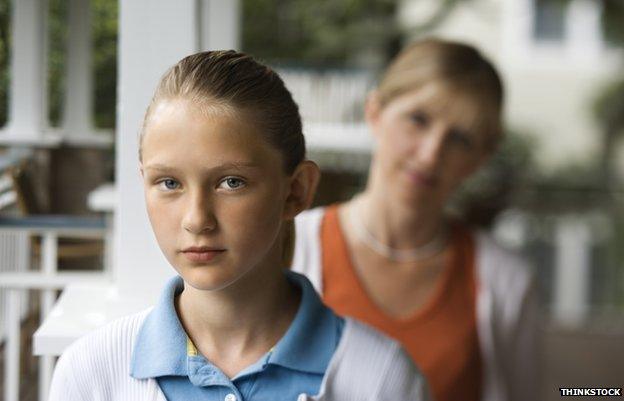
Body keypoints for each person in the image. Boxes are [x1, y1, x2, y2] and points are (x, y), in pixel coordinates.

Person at [47, 50, 430, 401]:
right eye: (169, 183)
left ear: (296, 191)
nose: (197, 219)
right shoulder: (91, 374)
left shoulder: (382, 379)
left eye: (232, 182)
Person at [292, 38, 539, 401]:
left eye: (459, 138)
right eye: (418, 120)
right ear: (375, 111)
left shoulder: (506, 281)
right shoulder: (289, 246)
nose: (430, 154)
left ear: (479, 159)